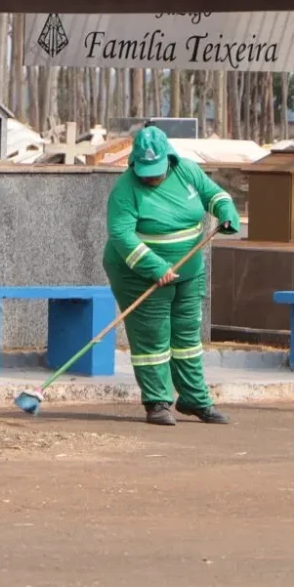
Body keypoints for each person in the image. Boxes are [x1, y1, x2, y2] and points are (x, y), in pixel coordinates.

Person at [103, 125, 241, 425]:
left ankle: (194, 399)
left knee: (187, 335)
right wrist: (154, 267)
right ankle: (157, 402)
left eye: (156, 168)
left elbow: (215, 196)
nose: (150, 175)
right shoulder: (126, 189)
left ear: (170, 158)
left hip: (187, 271)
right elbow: (120, 235)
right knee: (153, 337)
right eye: (144, 169)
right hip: (137, 272)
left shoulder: (187, 171)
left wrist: (226, 212)